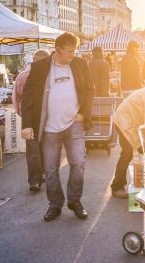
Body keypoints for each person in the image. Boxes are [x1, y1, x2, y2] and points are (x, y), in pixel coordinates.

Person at [20, 32, 95, 222]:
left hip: (74, 124)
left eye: (75, 50)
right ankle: (55, 204)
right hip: (49, 128)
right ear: (58, 50)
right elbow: (27, 97)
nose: (73, 54)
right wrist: (27, 124)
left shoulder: (80, 64)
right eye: (70, 51)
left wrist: (84, 113)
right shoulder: (39, 67)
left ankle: (75, 201)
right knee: (51, 169)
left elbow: (90, 89)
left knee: (78, 163)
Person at [12, 49, 50, 192]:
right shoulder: (47, 75)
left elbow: (15, 98)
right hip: (42, 116)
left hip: (31, 116)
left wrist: (21, 113)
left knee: (34, 148)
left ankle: (36, 179)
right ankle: (39, 177)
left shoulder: (22, 75)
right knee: (41, 147)